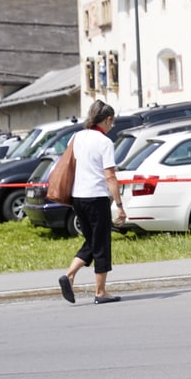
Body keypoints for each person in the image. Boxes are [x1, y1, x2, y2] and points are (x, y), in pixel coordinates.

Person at [58, 100, 126, 305]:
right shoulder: (105, 142)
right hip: (96, 197)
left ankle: (69, 275)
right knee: (102, 243)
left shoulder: (76, 137)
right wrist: (119, 205)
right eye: (111, 122)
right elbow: (110, 176)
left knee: (92, 241)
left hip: (77, 197)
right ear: (108, 119)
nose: (112, 126)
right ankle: (100, 291)